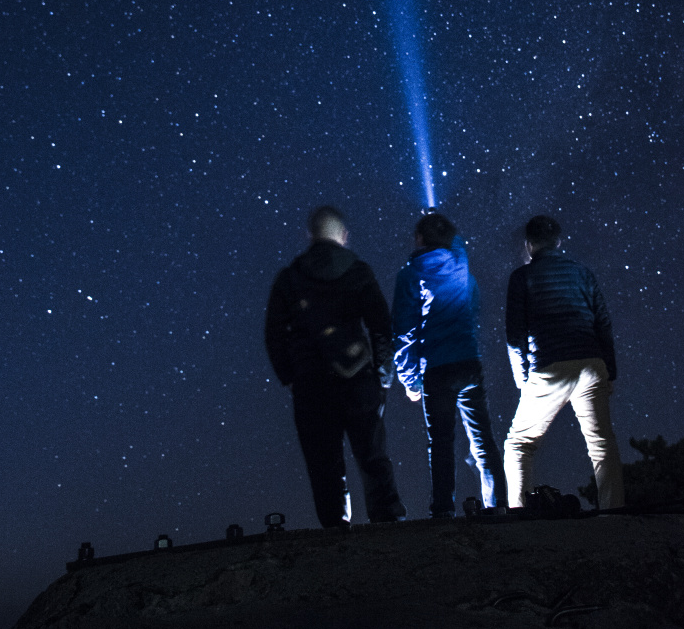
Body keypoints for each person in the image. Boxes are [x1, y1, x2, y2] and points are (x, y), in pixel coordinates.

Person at [265, 205, 405, 528]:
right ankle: (388, 524)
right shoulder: (359, 271)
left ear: (310, 235)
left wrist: (290, 375)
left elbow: (273, 334)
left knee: (323, 464)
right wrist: (383, 375)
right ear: (343, 236)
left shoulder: (290, 278)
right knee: (372, 457)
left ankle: (336, 531)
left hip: (310, 385)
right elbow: (382, 326)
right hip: (358, 379)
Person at [503, 214, 625, 511]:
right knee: (601, 444)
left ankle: (519, 515)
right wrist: (610, 371)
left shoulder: (522, 277)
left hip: (550, 365)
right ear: (559, 242)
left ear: (528, 245)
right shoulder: (583, 273)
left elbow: (514, 335)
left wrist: (523, 380)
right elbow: (603, 324)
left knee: (518, 445)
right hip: (591, 363)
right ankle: (614, 511)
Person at [392, 210, 506, 518]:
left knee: (441, 443)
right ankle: (499, 506)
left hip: (438, 368)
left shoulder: (410, 275)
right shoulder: (461, 264)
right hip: (469, 361)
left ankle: (443, 510)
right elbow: (474, 302)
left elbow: (404, 332)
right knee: (483, 437)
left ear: (419, 239)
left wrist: (410, 380)